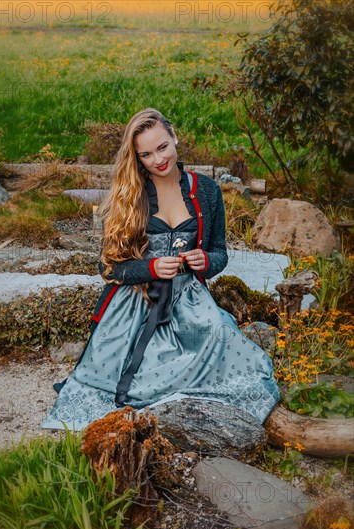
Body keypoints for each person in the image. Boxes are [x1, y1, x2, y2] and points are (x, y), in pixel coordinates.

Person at [42, 108, 280, 430]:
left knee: (234, 355)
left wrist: (205, 262)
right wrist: (151, 267)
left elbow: (220, 252)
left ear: (174, 137)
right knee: (133, 373)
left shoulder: (207, 190)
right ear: (137, 158)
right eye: (146, 154)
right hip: (136, 303)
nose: (158, 159)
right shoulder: (130, 195)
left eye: (163, 147)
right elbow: (108, 268)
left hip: (190, 299)